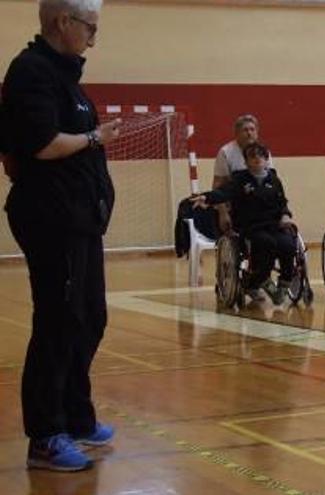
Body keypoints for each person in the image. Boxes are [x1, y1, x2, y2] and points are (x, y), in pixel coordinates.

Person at [2, 0, 120, 472]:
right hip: (52, 220)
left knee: (90, 317)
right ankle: (46, 435)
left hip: (81, 220)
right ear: (62, 22)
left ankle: (75, 414)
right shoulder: (31, 71)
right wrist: (95, 138)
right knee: (58, 321)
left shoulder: (67, 78)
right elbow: (41, 144)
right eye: (89, 27)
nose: (94, 36)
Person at [192, 142, 296, 304]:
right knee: (266, 243)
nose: (257, 160)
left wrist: (285, 215)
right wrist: (206, 197)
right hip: (251, 226)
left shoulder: (275, 180)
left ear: (266, 159)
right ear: (246, 162)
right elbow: (223, 192)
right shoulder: (240, 180)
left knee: (288, 244)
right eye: (252, 157)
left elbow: (282, 203)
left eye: (260, 156)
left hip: (274, 225)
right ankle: (259, 280)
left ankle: (285, 281)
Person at [213, 114, 273, 232]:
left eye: (252, 129)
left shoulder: (264, 152)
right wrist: (223, 213)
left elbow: (272, 181)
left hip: (260, 205)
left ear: (257, 132)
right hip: (236, 206)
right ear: (237, 133)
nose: (249, 133)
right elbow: (218, 186)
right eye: (245, 130)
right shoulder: (226, 152)